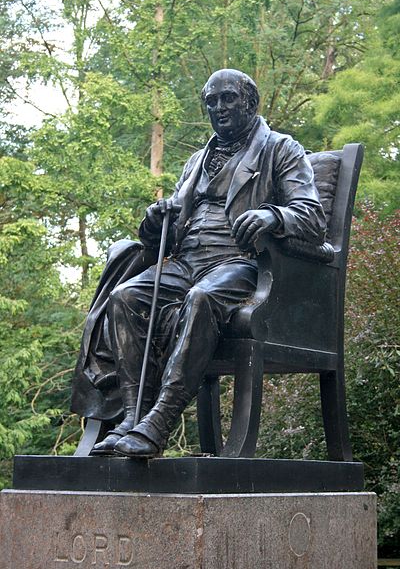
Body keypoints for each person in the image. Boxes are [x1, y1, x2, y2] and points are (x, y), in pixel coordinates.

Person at [71, 69, 326, 458]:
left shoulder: (280, 148)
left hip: (240, 261)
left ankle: (160, 420)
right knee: (125, 296)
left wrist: (273, 216)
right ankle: (133, 414)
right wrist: (157, 223)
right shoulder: (195, 162)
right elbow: (170, 236)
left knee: (201, 298)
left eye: (228, 99)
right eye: (211, 101)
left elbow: (312, 217)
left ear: (250, 103)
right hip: (187, 259)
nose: (218, 107)